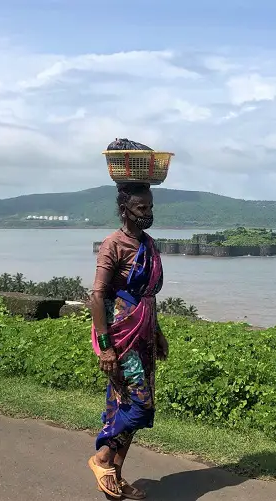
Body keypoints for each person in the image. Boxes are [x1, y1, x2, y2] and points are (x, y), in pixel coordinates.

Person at [87, 182, 169, 499]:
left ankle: (114, 476)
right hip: (121, 338)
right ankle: (102, 459)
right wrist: (105, 347)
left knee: (135, 406)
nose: (149, 213)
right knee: (139, 404)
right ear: (125, 209)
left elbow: (148, 295)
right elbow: (97, 296)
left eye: (150, 207)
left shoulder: (148, 244)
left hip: (144, 335)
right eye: (142, 208)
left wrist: (158, 332)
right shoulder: (113, 245)